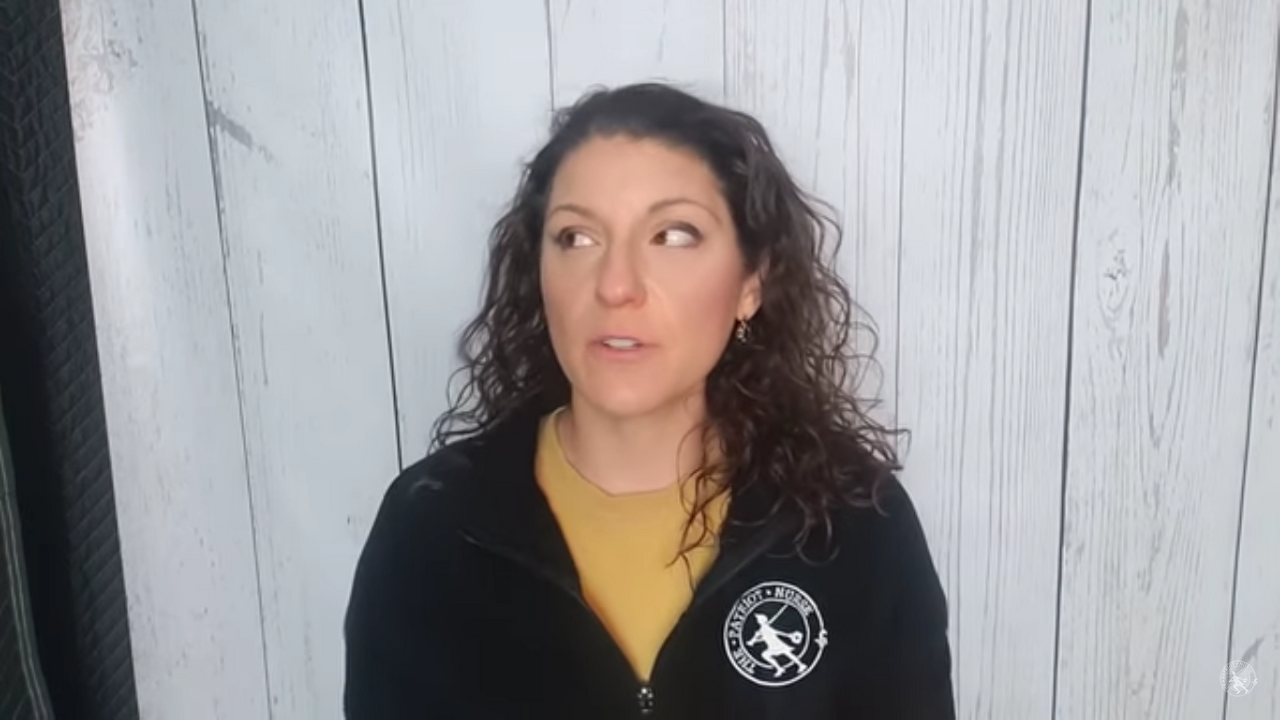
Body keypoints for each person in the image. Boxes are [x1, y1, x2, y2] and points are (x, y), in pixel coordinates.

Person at [343, 82, 955, 718]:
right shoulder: (433, 531)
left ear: (751, 282)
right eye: (577, 237)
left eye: (674, 235)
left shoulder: (853, 524)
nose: (615, 285)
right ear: (539, 271)